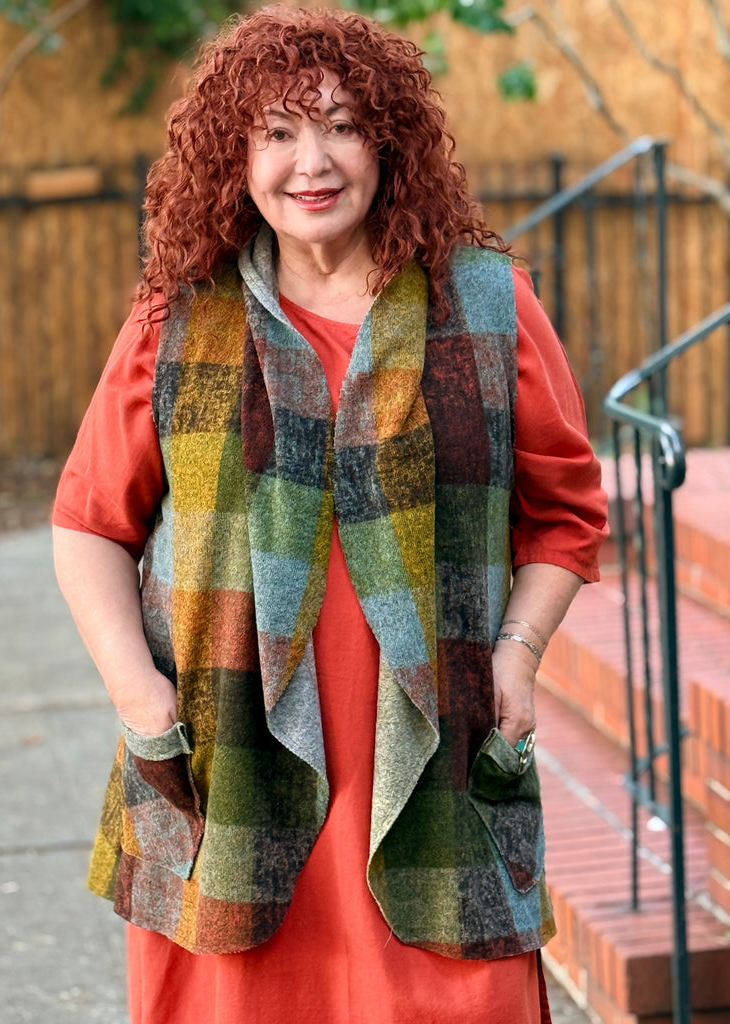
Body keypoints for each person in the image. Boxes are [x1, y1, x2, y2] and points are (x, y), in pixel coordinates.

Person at [52, 6, 608, 1023]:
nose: (311, 162)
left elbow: (566, 512)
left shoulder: (487, 307)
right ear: (236, 157)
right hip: (226, 776)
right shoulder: (179, 317)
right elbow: (90, 521)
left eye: (342, 126)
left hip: (437, 770)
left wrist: (519, 654)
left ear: (388, 143)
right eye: (277, 132)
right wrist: (141, 699)